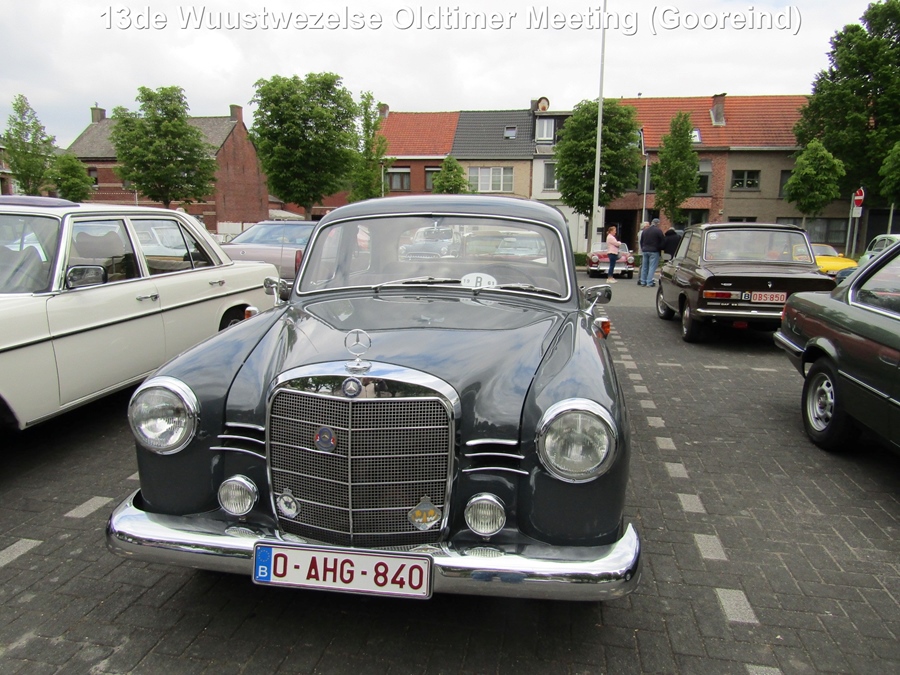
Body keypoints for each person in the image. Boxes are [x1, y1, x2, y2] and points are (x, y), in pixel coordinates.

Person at [638, 218, 665, 287]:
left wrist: (643, 248)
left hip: (645, 250)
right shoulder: (658, 231)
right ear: (657, 223)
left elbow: (641, 241)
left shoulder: (645, 231)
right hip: (654, 250)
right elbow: (662, 241)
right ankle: (649, 282)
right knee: (652, 267)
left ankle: (643, 281)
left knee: (644, 267)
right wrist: (660, 248)